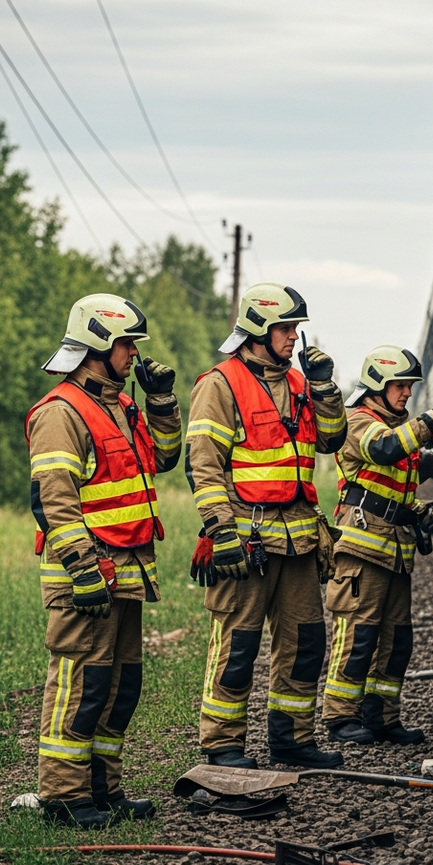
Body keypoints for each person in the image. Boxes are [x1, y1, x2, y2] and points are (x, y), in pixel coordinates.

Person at [26, 293, 181, 827]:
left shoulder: (119, 404)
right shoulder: (60, 412)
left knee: (120, 687)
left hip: (128, 572)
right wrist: (83, 569)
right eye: (127, 343)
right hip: (87, 575)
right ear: (98, 344)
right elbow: (54, 498)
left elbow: (162, 458)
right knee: (81, 684)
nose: (135, 353)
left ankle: (103, 790)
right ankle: (64, 798)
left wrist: (161, 403)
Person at [187, 282, 347, 769]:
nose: (293, 337)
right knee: (237, 648)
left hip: (297, 539)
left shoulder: (300, 383)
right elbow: (203, 465)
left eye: (296, 328)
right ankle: (222, 746)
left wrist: (324, 389)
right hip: (246, 540)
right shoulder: (219, 383)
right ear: (257, 328)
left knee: (305, 645)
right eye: (285, 328)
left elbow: (331, 441)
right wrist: (220, 532)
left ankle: (293, 740)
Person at [321, 345, 433, 746]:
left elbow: (402, 478)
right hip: (362, 549)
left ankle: (382, 716)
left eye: (410, 387)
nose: (407, 393)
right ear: (376, 385)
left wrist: (418, 511)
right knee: (358, 636)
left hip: (394, 550)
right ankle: (340, 717)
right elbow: (386, 449)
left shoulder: (396, 428)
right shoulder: (358, 422)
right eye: (400, 386)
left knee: (396, 640)